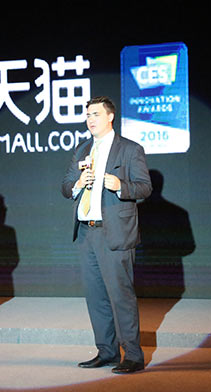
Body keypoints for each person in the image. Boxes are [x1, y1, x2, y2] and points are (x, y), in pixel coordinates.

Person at [61, 96, 152, 374]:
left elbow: (144, 187)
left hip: (115, 233)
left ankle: (133, 355)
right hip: (86, 233)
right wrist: (78, 183)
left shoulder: (130, 149)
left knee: (121, 296)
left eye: (96, 114)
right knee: (96, 297)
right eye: (88, 115)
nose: (90, 119)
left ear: (110, 117)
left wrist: (120, 185)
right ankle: (107, 351)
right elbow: (65, 187)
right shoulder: (82, 149)